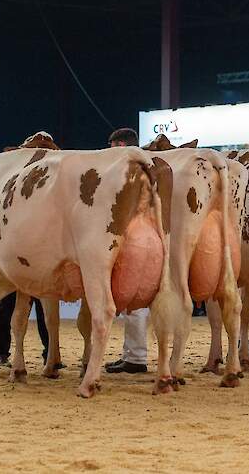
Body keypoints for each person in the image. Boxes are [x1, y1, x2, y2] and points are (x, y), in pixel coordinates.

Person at [103, 127, 149, 374]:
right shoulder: (149, 164)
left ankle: (136, 357)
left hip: (134, 233)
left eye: (111, 147)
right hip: (150, 234)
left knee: (134, 299)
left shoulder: (129, 168)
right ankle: (135, 354)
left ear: (120, 146)